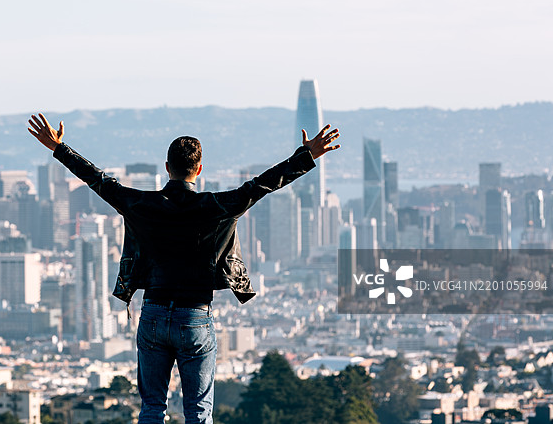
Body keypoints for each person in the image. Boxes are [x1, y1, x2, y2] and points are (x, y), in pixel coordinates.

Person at [27, 113, 340, 424]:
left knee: (151, 409)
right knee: (199, 413)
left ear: (167, 168)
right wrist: (307, 154)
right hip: (194, 317)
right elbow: (262, 185)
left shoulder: (140, 205)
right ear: (199, 170)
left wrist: (59, 147)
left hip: (152, 314)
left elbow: (99, 181)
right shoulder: (218, 206)